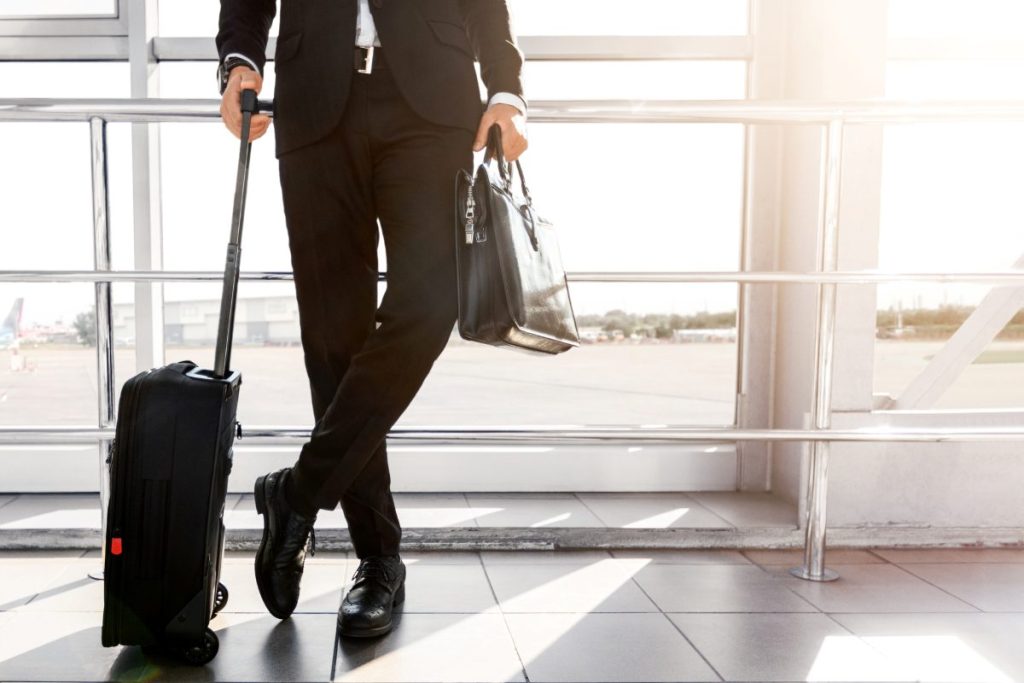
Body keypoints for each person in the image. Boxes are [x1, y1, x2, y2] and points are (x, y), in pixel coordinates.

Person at [214, 0, 528, 638]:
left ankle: (298, 493)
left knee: (432, 301)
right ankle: (379, 559)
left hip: (431, 104)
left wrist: (505, 87)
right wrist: (239, 60)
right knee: (334, 340)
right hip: (314, 104)